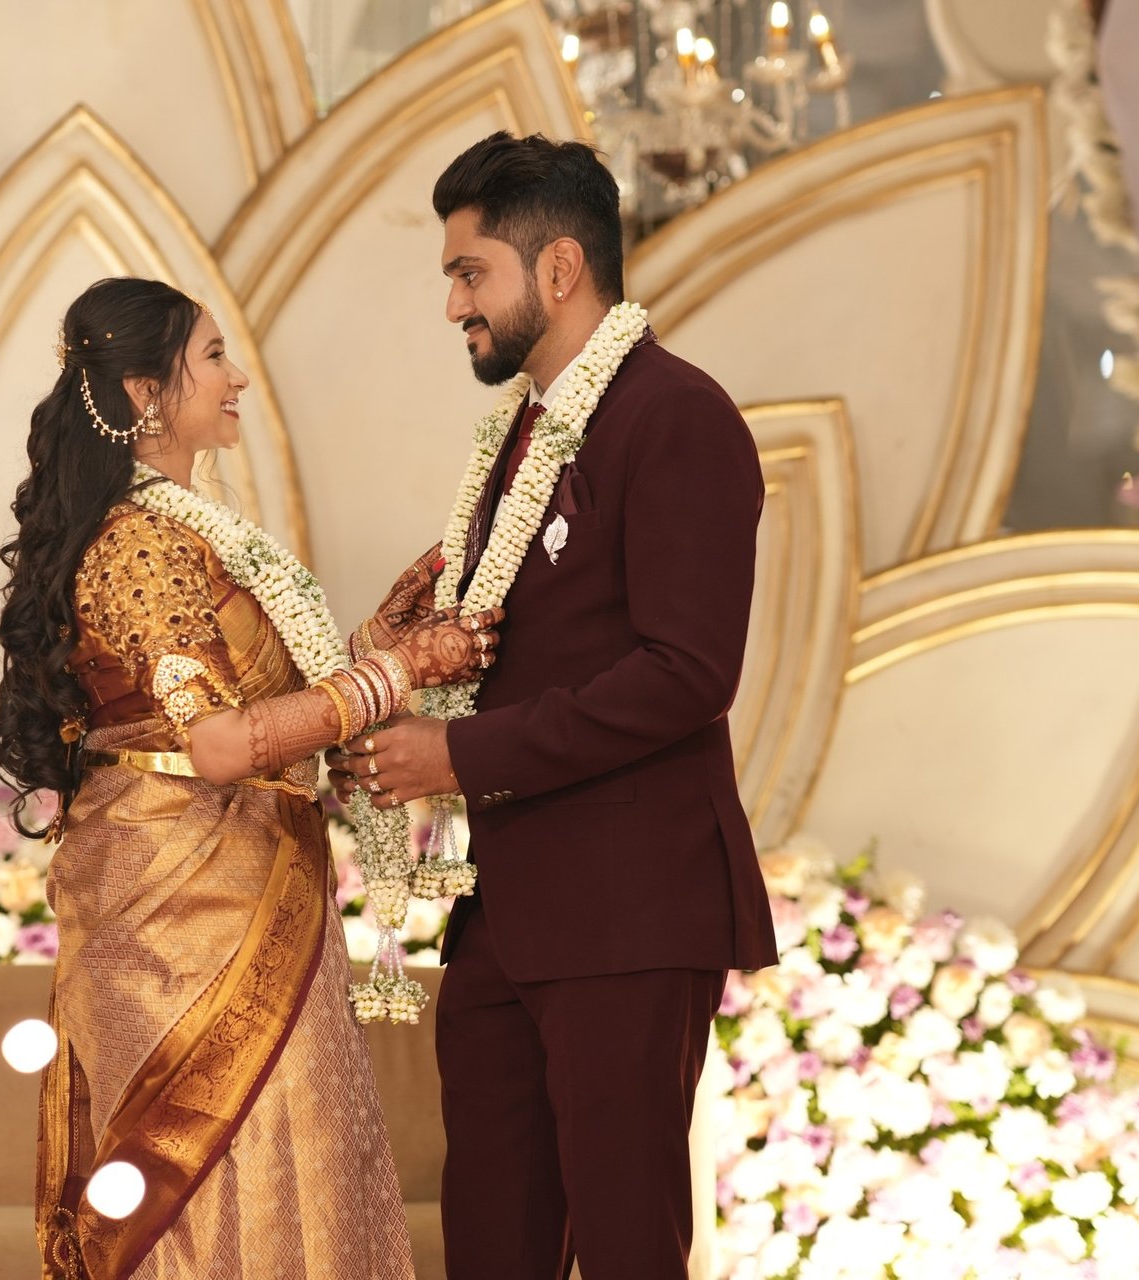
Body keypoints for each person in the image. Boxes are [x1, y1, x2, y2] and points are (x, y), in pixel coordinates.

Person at [0, 276, 501, 1279]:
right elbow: (217, 744)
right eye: (213, 356)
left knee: (297, 1170)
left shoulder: (192, 528)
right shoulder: (137, 540)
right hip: (181, 925)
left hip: (253, 891)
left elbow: (252, 705)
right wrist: (394, 675)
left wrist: (370, 646)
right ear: (145, 393)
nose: (237, 376)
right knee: (222, 1190)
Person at [328, 133, 781, 1280]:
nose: (453, 305)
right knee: (491, 1240)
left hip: (627, 910)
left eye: (470, 273)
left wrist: (459, 752)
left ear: (560, 268)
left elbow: (688, 671)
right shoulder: (529, 432)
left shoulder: (674, 416)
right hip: (509, 912)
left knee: (628, 1246)